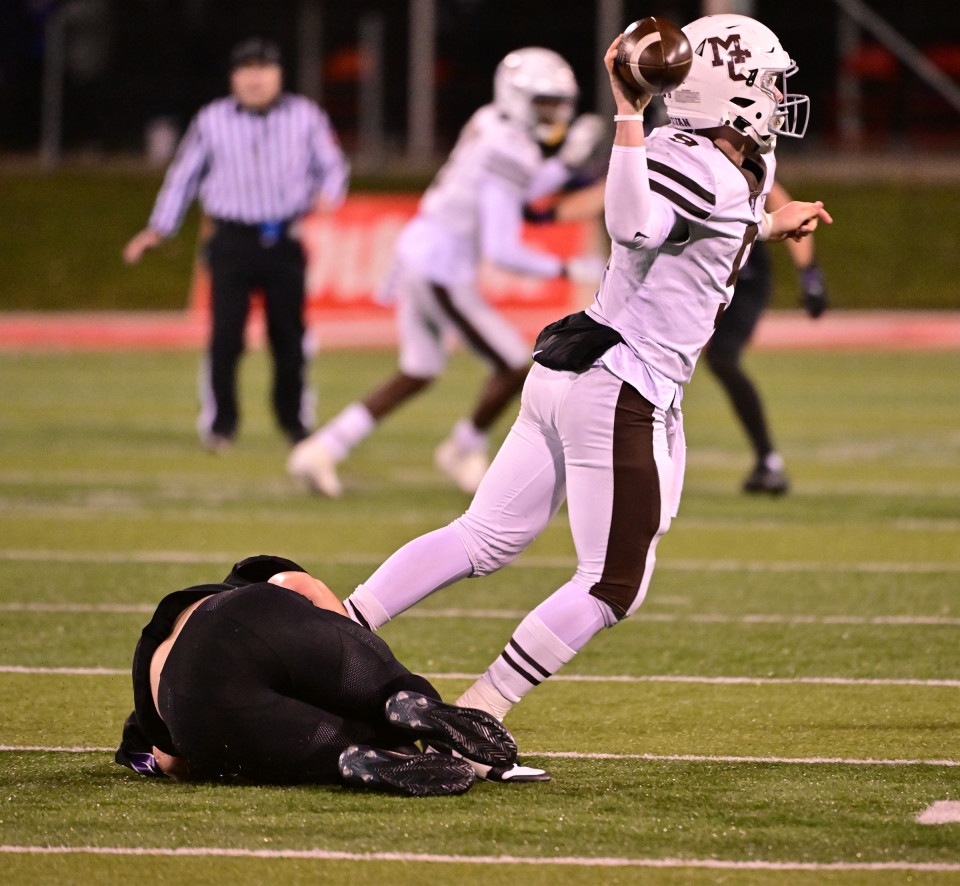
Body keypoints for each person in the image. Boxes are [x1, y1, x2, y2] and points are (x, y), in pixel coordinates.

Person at [335, 14, 831, 778]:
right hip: (622, 387)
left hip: (577, 370)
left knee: (483, 538)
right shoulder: (680, 154)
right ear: (726, 94)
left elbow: (704, 228)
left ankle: (340, 625)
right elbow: (637, 228)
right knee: (613, 583)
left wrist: (766, 225)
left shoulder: (738, 167)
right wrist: (630, 114)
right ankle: (481, 712)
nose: (778, 95)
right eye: (767, 82)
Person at [287, 48, 602, 498]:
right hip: (441, 268)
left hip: (422, 251)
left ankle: (321, 449)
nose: (553, 114)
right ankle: (463, 447)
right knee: (516, 364)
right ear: (518, 98)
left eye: (557, 103)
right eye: (544, 103)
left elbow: (519, 186)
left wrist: (563, 166)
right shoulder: (507, 144)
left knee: (419, 369)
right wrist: (568, 267)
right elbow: (503, 250)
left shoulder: (491, 122)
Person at [114, 554, 545, 795]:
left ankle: (353, 756)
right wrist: (366, 670)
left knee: (334, 748)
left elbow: (171, 761)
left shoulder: (145, 706)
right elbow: (303, 587)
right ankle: (404, 698)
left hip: (188, 702)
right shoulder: (244, 583)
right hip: (243, 617)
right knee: (382, 692)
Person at [124, 37, 349, 453]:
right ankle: (220, 424)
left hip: (284, 238)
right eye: (246, 69)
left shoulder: (305, 117)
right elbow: (184, 176)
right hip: (231, 239)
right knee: (226, 336)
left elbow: (332, 166)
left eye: (263, 68)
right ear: (233, 77)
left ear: (279, 74)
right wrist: (159, 228)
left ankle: (295, 422)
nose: (255, 77)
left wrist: (329, 193)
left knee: (290, 338)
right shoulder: (212, 120)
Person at [707, 180, 829, 496]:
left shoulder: (741, 154)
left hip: (743, 279)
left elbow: (783, 205)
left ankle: (768, 459)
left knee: (721, 357)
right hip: (691, 273)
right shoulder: (671, 148)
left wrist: (810, 274)